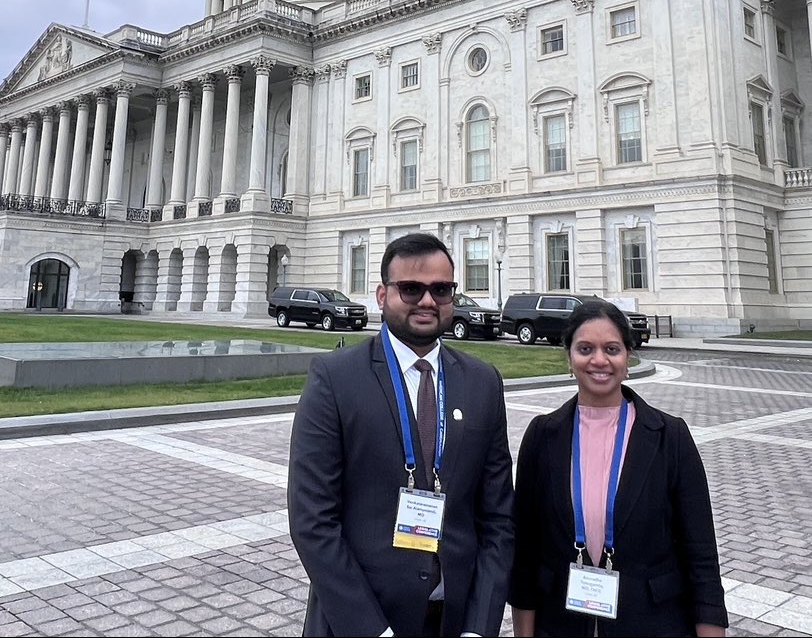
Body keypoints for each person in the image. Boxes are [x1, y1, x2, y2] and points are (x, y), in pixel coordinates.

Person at [288, 232, 514, 637]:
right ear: (381, 294)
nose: (427, 301)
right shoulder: (335, 378)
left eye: (441, 290)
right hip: (361, 620)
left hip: (455, 621)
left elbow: (498, 518)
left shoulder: (483, 383)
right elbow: (312, 520)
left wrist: (479, 628)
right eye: (411, 289)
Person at [510, 300, 728, 638]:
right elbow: (525, 552)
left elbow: (700, 554)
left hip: (653, 623)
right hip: (561, 624)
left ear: (628, 358)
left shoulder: (670, 436)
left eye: (612, 349)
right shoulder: (542, 436)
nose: (599, 360)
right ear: (569, 358)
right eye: (585, 349)